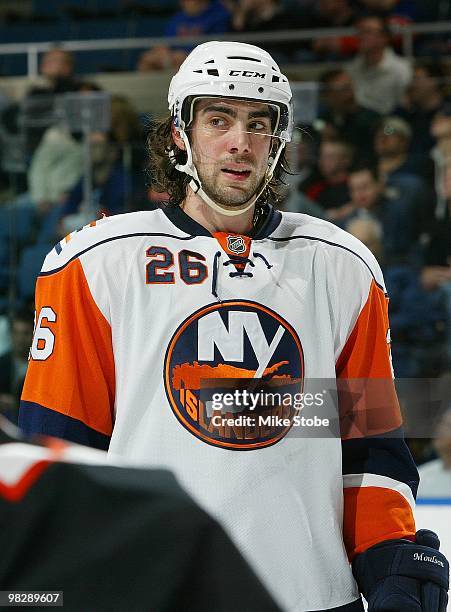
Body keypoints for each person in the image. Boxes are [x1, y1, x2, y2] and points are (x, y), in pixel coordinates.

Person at [19, 41, 449, 612]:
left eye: (257, 123)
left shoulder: (341, 264)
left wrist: (391, 556)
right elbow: (61, 454)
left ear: (278, 139)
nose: (239, 142)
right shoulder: (96, 263)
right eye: (218, 119)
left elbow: (366, 447)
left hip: (311, 595)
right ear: (179, 134)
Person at [346, 13, 412, 115]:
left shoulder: (401, 69)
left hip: (389, 126)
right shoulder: (351, 69)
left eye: (367, 32)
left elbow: (406, 106)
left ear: (384, 38)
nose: (361, 37)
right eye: (360, 32)